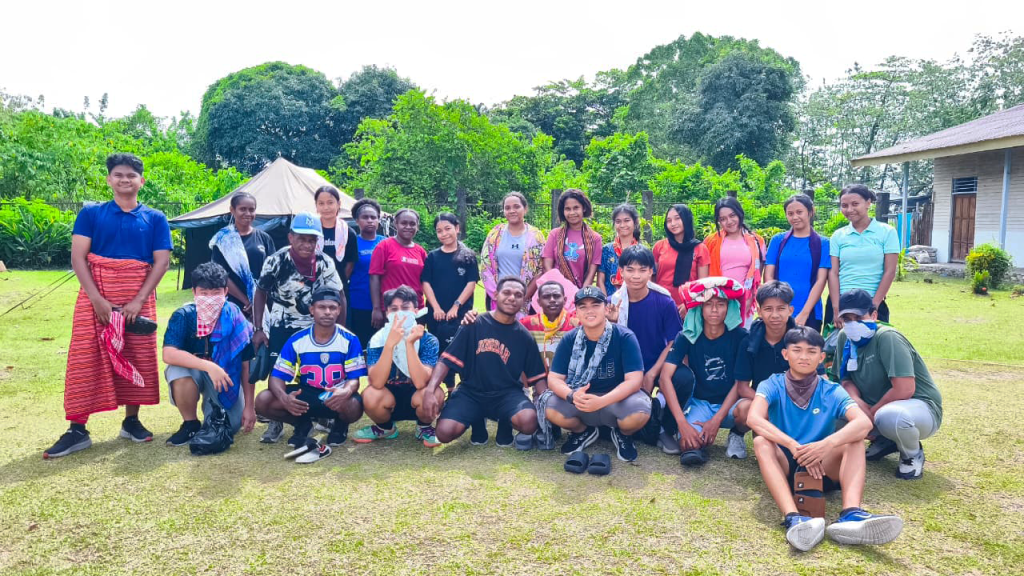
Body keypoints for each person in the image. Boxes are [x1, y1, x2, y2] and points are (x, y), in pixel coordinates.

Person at [46, 153, 172, 459]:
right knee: (86, 358)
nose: (125, 179)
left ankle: (131, 422)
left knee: (137, 356)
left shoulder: (155, 218)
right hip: (96, 298)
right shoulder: (91, 214)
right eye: (118, 174)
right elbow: (78, 258)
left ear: (142, 181)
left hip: (139, 298)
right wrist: (97, 300)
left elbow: (162, 262)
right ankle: (77, 429)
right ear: (109, 179)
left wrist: (138, 300)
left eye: (131, 175)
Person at [747, 326, 904, 551]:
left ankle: (851, 513)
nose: (804, 357)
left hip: (822, 466)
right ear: (785, 354)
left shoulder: (832, 390)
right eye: (797, 350)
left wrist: (825, 445)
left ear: (821, 357)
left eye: (811, 352)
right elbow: (753, 418)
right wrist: (792, 445)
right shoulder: (771, 383)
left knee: (855, 440)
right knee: (761, 442)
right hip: (786, 463)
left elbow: (864, 423)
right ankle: (793, 518)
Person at [829, 289, 943, 480]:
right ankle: (885, 440)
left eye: (859, 317)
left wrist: (870, 416)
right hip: (873, 408)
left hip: (918, 408)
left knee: (891, 417)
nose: (853, 324)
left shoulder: (887, 337)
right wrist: (857, 403)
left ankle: (912, 454)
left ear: (874, 315)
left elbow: (904, 389)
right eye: (847, 319)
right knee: (828, 416)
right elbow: (845, 379)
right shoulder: (844, 337)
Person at [420, 277, 547, 444]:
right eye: (507, 292)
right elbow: (446, 360)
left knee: (529, 422)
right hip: (471, 392)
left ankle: (505, 422)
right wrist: (430, 390)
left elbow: (537, 376)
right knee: (444, 433)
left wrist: (546, 404)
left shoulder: (524, 336)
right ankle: (476, 421)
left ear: (524, 300)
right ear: (496, 295)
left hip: (507, 394)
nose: (512, 298)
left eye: (518, 295)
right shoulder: (474, 323)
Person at [252, 213, 343, 443]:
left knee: (318, 369)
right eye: (302, 238)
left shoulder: (325, 262)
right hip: (282, 323)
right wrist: (258, 329)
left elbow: (339, 295)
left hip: (316, 326)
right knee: (277, 372)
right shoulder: (276, 260)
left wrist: (340, 331)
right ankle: (276, 421)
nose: (307, 244)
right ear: (291, 237)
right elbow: (261, 292)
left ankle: (321, 414)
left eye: (312, 240)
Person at [541, 286, 652, 462]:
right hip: (581, 401)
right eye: (583, 306)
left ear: (606, 309)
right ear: (576, 312)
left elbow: (635, 380)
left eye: (595, 305)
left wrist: (602, 401)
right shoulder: (569, 339)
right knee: (549, 406)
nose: (589, 311)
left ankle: (622, 434)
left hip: (615, 402)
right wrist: (571, 396)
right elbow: (554, 379)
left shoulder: (624, 336)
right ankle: (583, 431)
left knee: (640, 410)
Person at [254, 289, 366, 458]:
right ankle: (302, 424)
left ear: (339, 310)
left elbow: (354, 379)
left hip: (334, 395)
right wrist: (285, 398)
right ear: (312, 309)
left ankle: (340, 425)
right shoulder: (297, 339)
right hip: (306, 394)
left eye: (332, 307)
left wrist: (346, 391)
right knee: (264, 400)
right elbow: (277, 377)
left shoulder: (350, 339)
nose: (327, 312)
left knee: (355, 405)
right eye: (322, 307)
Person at [162, 263, 256, 445]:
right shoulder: (184, 315)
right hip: (197, 371)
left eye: (216, 293)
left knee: (231, 425)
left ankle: (212, 415)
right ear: (194, 292)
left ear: (226, 292)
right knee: (177, 370)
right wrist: (209, 366)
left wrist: (250, 407)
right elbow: (168, 354)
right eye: (204, 293)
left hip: (226, 375)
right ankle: (190, 424)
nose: (210, 299)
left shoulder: (236, 318)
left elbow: (246, 364)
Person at [658, 277, 748, 466]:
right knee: (688, 445)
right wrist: (682, 423)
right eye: (708, 304)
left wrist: (717, 420)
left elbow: (740, 383)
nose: (714, 310)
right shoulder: (687, 335)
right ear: (700, 307)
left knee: (748, 409)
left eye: (720, 304)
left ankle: (737, 434)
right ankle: (694, 435)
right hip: (700, 403)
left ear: (729, 307)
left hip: (731, 405)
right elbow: (665, 377)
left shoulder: (740, 337)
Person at [731, 281, 825, 460]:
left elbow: (822, 378)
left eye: (781, 309)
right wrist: (769, 404)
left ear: (790, 310)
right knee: (744, 410)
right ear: (759, 311)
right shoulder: (748, 341)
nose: (775, 315)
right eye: (768, 309)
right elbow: (742, 387)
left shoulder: (804, 339)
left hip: (799, 401)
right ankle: (737, 433)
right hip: (763, 401)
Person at [355, 286, 443, 447]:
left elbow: (420, 383)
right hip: (389, 399)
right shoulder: (377, 339)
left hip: (417, 397)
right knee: (369, 394)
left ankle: (423, 427)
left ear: (416, 311)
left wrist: (409, 343)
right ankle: (385, 428)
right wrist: (389, 344)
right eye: (394, 309)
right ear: (387, 313)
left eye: (405, 308)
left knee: (434, 393)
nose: (400, 313)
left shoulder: (428, 340)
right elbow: (376, 383)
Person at [606, 245, 681, 393]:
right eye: (630, 270)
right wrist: (612, 323)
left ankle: (663, 406)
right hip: (623, 369)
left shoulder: (664, 302)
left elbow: (674, 341)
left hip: (656, 365)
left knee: (682, 378)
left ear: (651, 271)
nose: (636, 276)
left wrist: (652, 373)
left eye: (642, 270)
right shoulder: (611, 304)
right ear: (621, 271)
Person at [827, 185, 901, 326]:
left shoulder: (887, 232)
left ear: (868, 203)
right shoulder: (838, 235)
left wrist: (874, 306)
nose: (849, 209)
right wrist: (836, 308)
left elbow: (890, 271)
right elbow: (833, 272)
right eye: (844, 205)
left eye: (855, 204)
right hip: (841, 304)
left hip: (872, 301)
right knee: (838, 340)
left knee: (875, 340)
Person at [421, 213, 479, 373]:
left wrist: (456, 306)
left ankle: (462, 385)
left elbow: (471, 283)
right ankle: (444, 385)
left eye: (447, 228)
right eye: (439, 231)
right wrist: (436, 308)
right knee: (439, 352)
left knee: (461, 352)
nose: (444, 234)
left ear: (457, 228)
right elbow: (426, 283)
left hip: (460, 313)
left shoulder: (468, 256)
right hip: (437, 315)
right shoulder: (432, 257)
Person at [763, 194, 830, 331]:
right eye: (790, 213)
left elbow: (821, 280)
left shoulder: (823, 243)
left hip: (810, 312)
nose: (795, 217)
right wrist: (777, 308)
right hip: (779, 312)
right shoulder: (777, 240)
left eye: (799, 212)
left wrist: (804, 313)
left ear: (811, 212)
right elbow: (768, 276)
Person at [209, 192, 276, 318]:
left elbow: (273, 272)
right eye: (243, 209)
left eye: (251, 210)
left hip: (264, 304)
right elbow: (221, 276)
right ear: (232, 210)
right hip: (234, 305)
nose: (248, 213)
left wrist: (258, 300)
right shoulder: (223, 241)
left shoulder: (264, 238)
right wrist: (247, 301)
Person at [703, 197, 766, 327]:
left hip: (745, 301)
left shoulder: (757, 241)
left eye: (732, 216)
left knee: (742, 337)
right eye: (723, 219)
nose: (729, 221)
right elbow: (702, 273)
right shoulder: (710, 241)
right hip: (717, 300)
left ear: (739, 214)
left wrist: (749, 299)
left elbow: (757, 274)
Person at [479, 192, 546, 312]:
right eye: (507, 208)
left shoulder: (536, 236)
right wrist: (498, 295)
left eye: (516, 206)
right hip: (498, 300)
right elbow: (485, 266)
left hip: (526, 302)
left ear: (525, 209)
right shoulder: (495, 234)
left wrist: (522, 297)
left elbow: (541, 271)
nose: (512, 211)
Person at [369, 209, 427, 329]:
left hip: (416, 310)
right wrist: (376, 308)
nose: (408, 227)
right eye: (404, 223)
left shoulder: (420, 251)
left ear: (417, 226)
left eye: (412, 224)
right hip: (393, 309)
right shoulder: (384, 246)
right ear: (395, 224)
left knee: (415, 341)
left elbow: (426, 282)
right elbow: (374, 278)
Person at [652, 204, 710, 310]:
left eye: (677, 218)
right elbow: (652, 279)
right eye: (669, 220)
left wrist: (688, 305)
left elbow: (702, 284)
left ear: (686, 219)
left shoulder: (700, 248)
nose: (673, 224)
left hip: (688, 307)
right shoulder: (659, 246)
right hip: (661, 303)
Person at [543, 188, 602, 289]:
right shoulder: (555, 235)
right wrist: (559, 290)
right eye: (568, 209)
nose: (572, 213)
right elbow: (547, 266)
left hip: (581, 291)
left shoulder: (595, 239)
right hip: (556, 291)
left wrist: (581, 294)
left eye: (576, 208)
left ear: (583, 208)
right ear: (563, 211)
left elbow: (591, 273)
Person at [347, 198, 386, 348]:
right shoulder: (351, 243)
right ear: (357, 221)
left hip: (384, 304)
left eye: (373, 217)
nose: (370, 220)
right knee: (361, 346)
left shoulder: (386, 243)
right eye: (365, 217)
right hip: (358, 303)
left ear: (378, 220)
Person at [315, 185, 359, 296]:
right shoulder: (311, 232)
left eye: (330, 203)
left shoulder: (348, 233)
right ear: (316, 206)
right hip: (313, 288)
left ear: (338, 204)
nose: (326, 207)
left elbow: (350, 263)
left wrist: (338, 284)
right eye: (321, 203)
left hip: (339, 290)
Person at [597, 204, 642, 297]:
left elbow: (646, 280)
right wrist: (606, 302)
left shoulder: (641, 251)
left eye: (627, 220)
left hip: (635, 300)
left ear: (635, 222)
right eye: (618, 221)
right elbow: (600, 280)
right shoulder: (606, 250)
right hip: (610, 301)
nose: (622, 225)